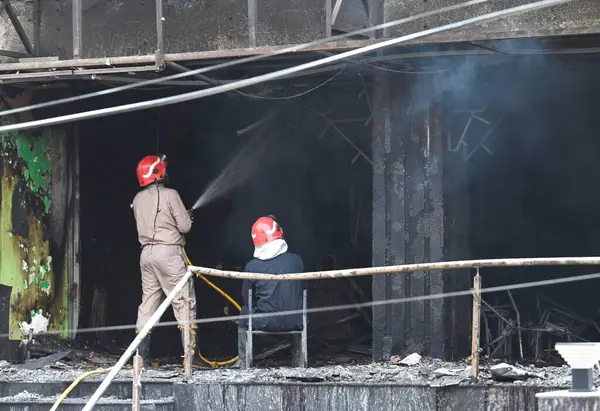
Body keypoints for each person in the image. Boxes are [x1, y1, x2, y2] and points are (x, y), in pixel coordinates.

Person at [131, 154, 203, 367]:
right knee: (184, 300)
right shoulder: (171, 195)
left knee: (148, 303)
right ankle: (191, 357)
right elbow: (185, 227)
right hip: (169, 253)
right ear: (157, 173)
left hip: (146, 255)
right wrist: (188, 216)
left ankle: (140, 358)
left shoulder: (137, 199)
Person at [235, 215, 304, 368]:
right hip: (297, 321)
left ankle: (243, 362)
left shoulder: (252, 266)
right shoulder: (297, 260)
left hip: (267, 322)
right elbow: (303, 291)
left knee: (244, 313)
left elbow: (247, 299)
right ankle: (298, 359)